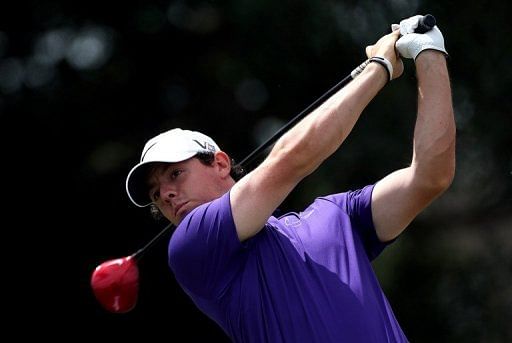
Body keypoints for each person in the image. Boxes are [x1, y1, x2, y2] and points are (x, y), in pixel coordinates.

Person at [125, 15, 455, 342]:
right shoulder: (191, 246)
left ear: (221, 163)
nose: (165, 194)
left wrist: (428, 51)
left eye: (175, 174)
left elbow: (429, 176)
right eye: (155, 193)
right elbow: (291, 160)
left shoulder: (337, 214)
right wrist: (378, 67)